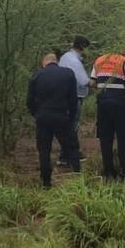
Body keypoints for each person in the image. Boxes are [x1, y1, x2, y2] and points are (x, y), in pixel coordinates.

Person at [27, 53, 81, 188]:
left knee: (44, 150)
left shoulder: (37, 75)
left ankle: (46, 182)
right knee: (72, 146)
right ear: (56, 62)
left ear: (44, 63)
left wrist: (36, 114)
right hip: (62, 115)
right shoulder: (68, 74)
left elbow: (29, 101)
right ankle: (78, 177)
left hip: (43, 117)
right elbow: (73, 99)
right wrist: (71, 116)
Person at [89, 51, 125, 182]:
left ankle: (108, 173)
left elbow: (92, 83)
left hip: (103, 104)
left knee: (105, 139)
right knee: (123, 140)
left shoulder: (98, 60)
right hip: (120, 104)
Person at [56, 35, 92, 165]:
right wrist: (98, 82)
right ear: (83, 47)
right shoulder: (75, 62)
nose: (89, 51)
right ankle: (71, 155)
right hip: (74, 97)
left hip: (63, 96)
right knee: (72, 126)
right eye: (88, 48)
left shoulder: (66, 57)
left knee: (67, 126)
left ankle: (64, 155)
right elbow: (84, 81)